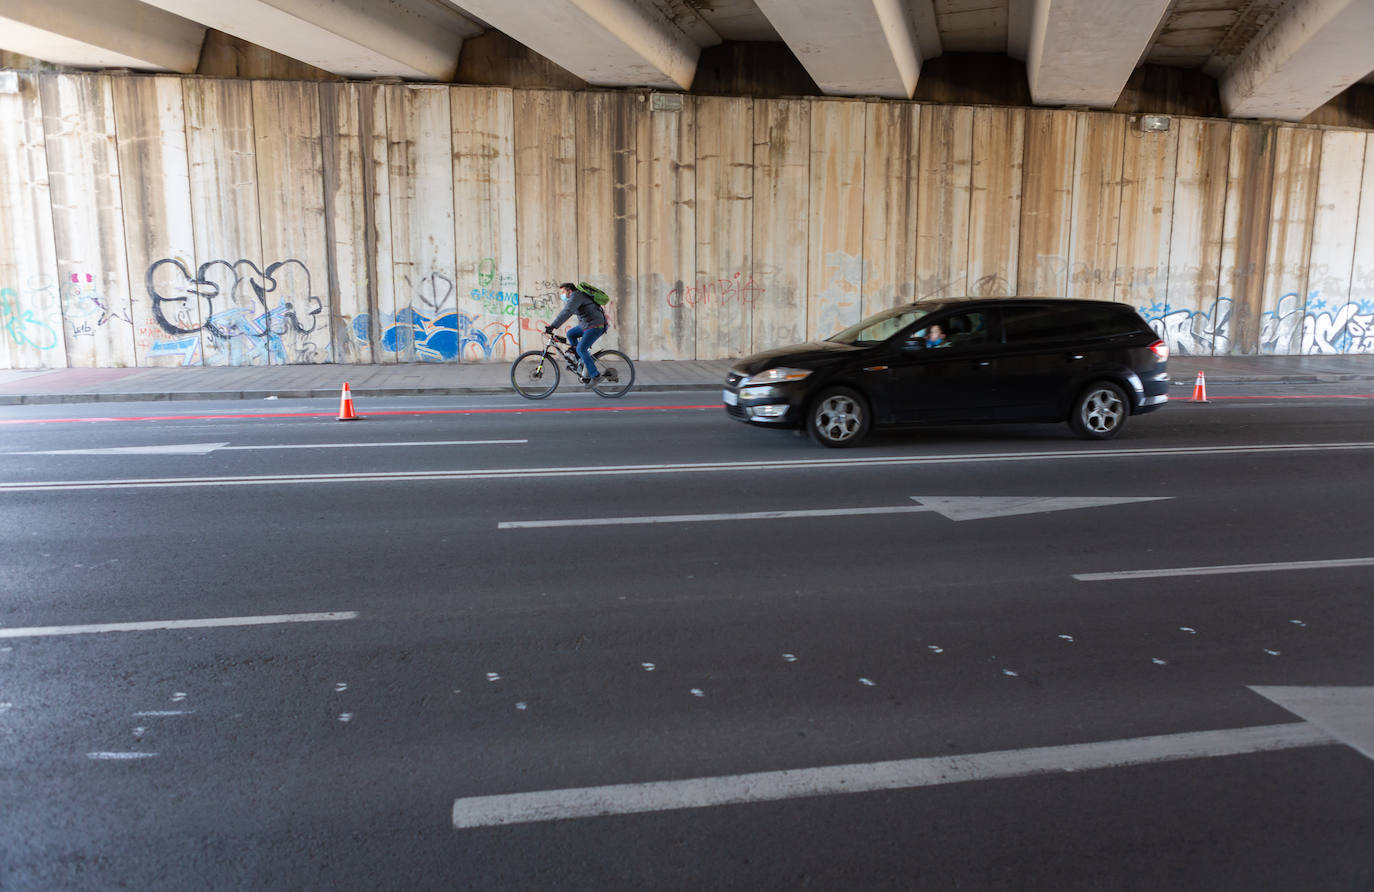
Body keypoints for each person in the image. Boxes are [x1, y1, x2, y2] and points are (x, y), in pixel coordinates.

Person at [544, 282, 609, 387]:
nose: (562, 295)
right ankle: (579, 361)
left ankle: (595, 376)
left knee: (581, 349)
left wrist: (553, 326)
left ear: (570, 291)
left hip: (596, 325)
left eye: (563, 292)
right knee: (570, 333)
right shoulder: (576, 297)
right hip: (587, 324)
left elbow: (567, 312)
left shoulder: (576, 296)